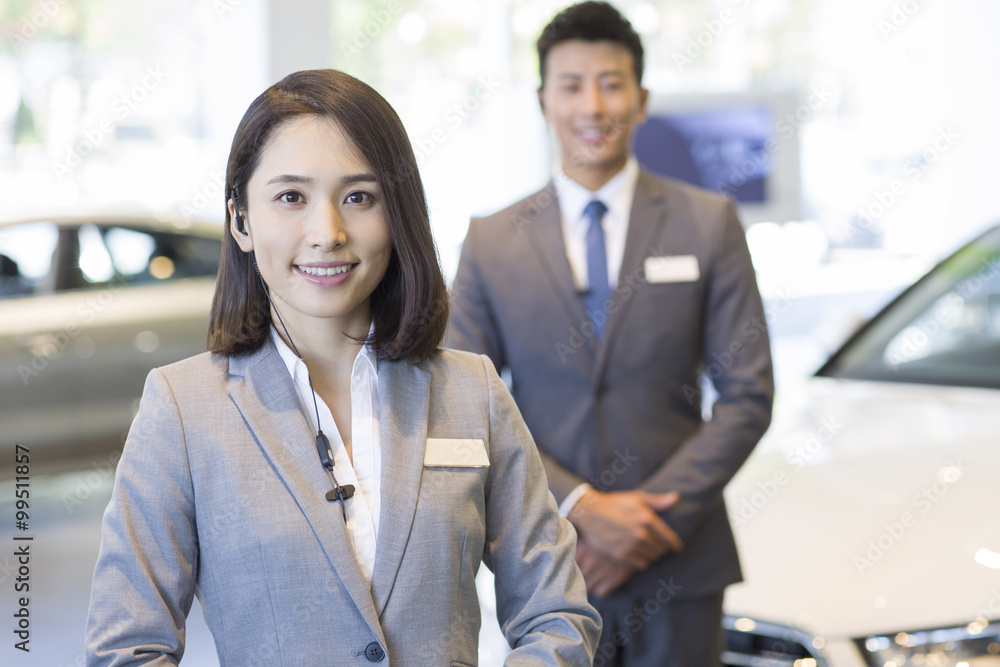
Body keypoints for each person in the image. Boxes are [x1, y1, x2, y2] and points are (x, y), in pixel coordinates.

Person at [86, 69, 601, 666]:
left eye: (359, 197)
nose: (327, 233)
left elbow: (556, 614)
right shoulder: (181, 407)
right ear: (241, 220)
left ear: (397, 213)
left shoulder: (472, 392)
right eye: (290, 197)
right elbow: (127, 647)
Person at [448, 3, 774, 665]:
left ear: (642, 98)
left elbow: (747, 393)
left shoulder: (707, 222)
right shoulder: (492, 239)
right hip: (550, 561)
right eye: (571, 85)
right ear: (543, 100)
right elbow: (464, 403)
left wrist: (648, 523)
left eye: (612, 82)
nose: (592, 105)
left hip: (680, 560)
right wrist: (582, 507)